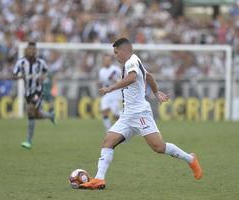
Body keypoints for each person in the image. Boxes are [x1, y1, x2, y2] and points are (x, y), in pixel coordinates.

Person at [80, 38, 203, 190]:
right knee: (107, 142)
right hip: (127, 115)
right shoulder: (134, 62)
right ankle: (99, 179)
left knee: (158, 147)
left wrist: (110, 88)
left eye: (116, 52)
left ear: (125, 50)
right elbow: (149, 76)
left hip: (140, 114)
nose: (115, 56)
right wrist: (156, 92)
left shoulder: (131, 61)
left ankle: (190, 159)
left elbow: (132, 78)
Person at [13, 42, 55, 149]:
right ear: (26, 50)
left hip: (38, 91)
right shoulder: (20, 63)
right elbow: (13, 75)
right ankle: (50, 116)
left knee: (30, 109)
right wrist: (20, 77)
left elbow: (47, 72)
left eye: (33, 49)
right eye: (30, 49)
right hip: (27, 92)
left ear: (36, 51)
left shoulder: (41, 63)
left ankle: (28, 141)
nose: (32, 51)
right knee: (35, 115)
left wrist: (43, 77)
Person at [98, 54, 122, 131]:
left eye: (108, 60)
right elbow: (102, 82)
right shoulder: (101, 71)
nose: (107, 62)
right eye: (105, 60)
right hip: (106, 94)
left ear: (111, 61)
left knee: (116, 114)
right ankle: (108, 130)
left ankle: (122, 129)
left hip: (115, 93)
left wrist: (115, 80)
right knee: (104, 111)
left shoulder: (116, 69)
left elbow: (122, 80)